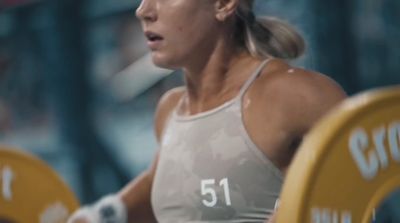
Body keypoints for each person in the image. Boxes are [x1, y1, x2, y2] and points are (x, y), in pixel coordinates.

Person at [68, 0, 347, 222]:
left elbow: (357, 191)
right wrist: (102, 215)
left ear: (224, 4)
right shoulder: (170, 110)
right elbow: (177, 191)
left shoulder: (295, 95)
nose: (143, 10)